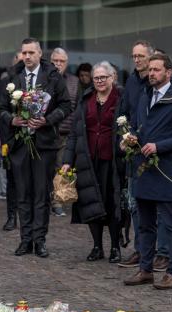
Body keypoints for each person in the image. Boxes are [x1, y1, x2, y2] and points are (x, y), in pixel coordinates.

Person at [123, 53, 172, 290]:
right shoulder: (145, 96)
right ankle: (146, 270)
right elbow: (137, 125)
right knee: (144, 224)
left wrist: (159, 146)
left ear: (169, 72)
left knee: (171, 225)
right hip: (143, 169)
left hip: (165, 170)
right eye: (150, 70)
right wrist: (130, 138)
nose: (151, 73)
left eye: (156, 70)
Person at [0, 37, 72, 258]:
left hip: (44, 144)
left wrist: (47, 120)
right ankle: (25, 239)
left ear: (40, 54)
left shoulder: (52, 76)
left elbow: (66, 105)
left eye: (31, 53)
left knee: (40, 194)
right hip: (20, 143)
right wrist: (12, 119)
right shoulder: (12, 77)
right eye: (24, 53)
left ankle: (39, 240)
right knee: (23, 194)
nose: (27, 57)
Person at [62, 61, 123, 263]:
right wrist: (67, 161)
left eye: (103, 77)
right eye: (96, 78)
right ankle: (97, 246)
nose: (99, 81)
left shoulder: (121, 98)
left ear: (112, 77)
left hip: (112, 160)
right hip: (88, 159)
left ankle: (115, 247)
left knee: (112, 204)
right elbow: (74, 133)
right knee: (90, 203)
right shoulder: (86, 99)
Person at [117, 40, 155, 269]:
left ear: (151, 57)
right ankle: (140, 250)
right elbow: (123, 112)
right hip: (132, 150)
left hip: (152, 150)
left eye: (141, 56)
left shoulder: (155, 81)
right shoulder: (131, 81)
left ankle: (156, 250)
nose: (137, 59)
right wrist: (122, 137)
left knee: (153, 204)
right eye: (134, 56)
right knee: (134, 203)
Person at [51, 47, 80, 217]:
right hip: (46, 131)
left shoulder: (74, 81)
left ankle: (58, 201)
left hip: (65, 132)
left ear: (66, 63)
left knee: (62, 167)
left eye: (62, 61)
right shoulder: (45, 79)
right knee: (46, 168)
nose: (58, 64)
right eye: (56, 60)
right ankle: (45, 199)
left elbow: (76, 107)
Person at [0, 53, 25, 232]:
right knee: (12, 182)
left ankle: (25, 217)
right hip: (11, 138)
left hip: (30, 138)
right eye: (22, 55)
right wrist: (11, 120)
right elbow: (0, 110)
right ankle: (11, 217)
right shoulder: (7, 82)